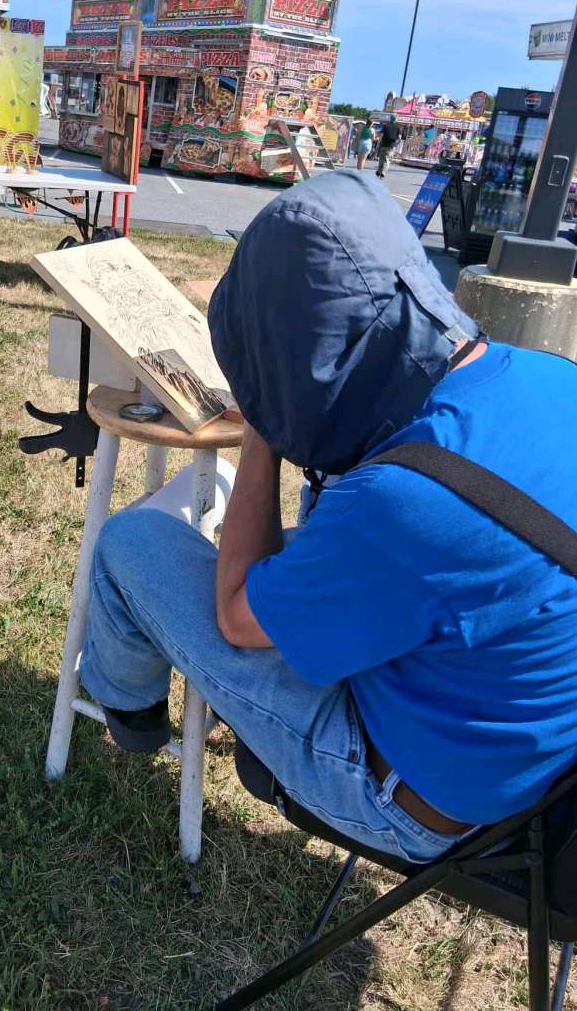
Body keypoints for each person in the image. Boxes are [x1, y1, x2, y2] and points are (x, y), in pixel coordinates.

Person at [79, 170, 577, 864]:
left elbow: (235, 617)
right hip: (537, 766)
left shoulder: (408, 500)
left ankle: (126, 713)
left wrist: (262, 425)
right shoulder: (554, 377)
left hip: (422, 805)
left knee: (131, 542)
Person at [376, 113, 400, 177]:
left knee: (381, 158)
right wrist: (396, 144)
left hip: (384, 144)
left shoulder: (385, 126)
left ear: (390, 119)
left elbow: (381, 135)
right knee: (387, 159)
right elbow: (399, 138)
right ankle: (383, 172)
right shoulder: (397, 127)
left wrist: (379, 143)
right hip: (391, 146)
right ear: (395, 119)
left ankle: (379, 171)